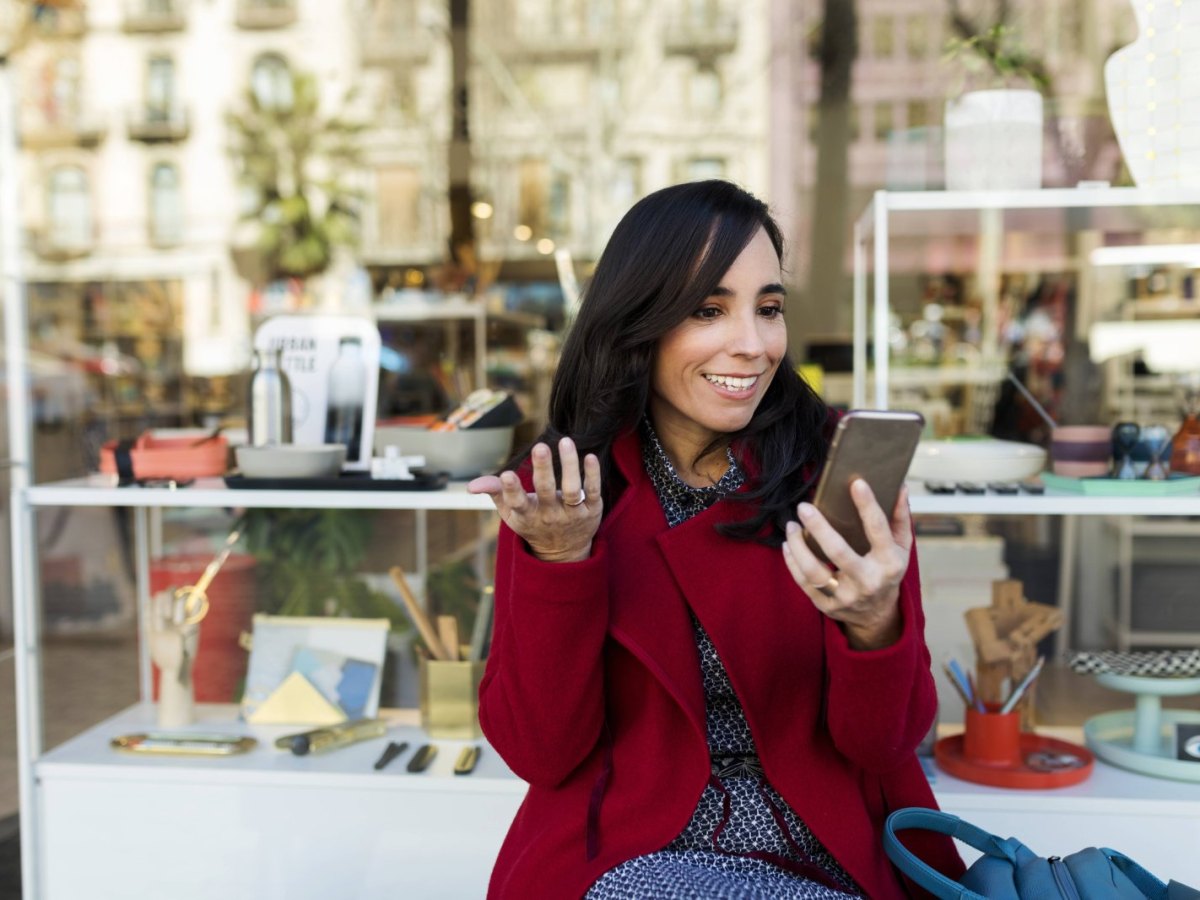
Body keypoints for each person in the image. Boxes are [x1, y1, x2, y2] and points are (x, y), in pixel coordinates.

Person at [468, 180, 964, 899]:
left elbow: (886, 746)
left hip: (825, 847)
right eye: (709, 310)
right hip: (631, 851)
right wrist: (560, 563)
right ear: (638, 321)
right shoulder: (568, 491)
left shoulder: (830, 469)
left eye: (768, 309)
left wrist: (874, 622)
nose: (753, 345)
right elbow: (541, 754)